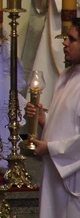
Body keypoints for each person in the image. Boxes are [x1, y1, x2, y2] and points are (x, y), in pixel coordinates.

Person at [25, 17, 80, 216]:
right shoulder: (66, 75)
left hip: (73, 175)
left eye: (72, 40)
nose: (64, 43)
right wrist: (42, 118)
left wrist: (51, 148)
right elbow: (65, 122)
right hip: (55, 170)